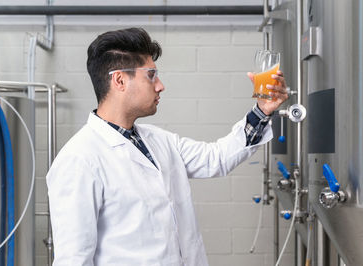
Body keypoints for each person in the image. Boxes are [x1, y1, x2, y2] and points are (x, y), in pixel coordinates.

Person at [46, 27, 288, 266]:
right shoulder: (79, 160)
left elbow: (217, 158)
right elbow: (73, 260)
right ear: (119, 80)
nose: (160, 85)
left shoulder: (158, 141)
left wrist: (262, 111)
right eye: (151, 75)